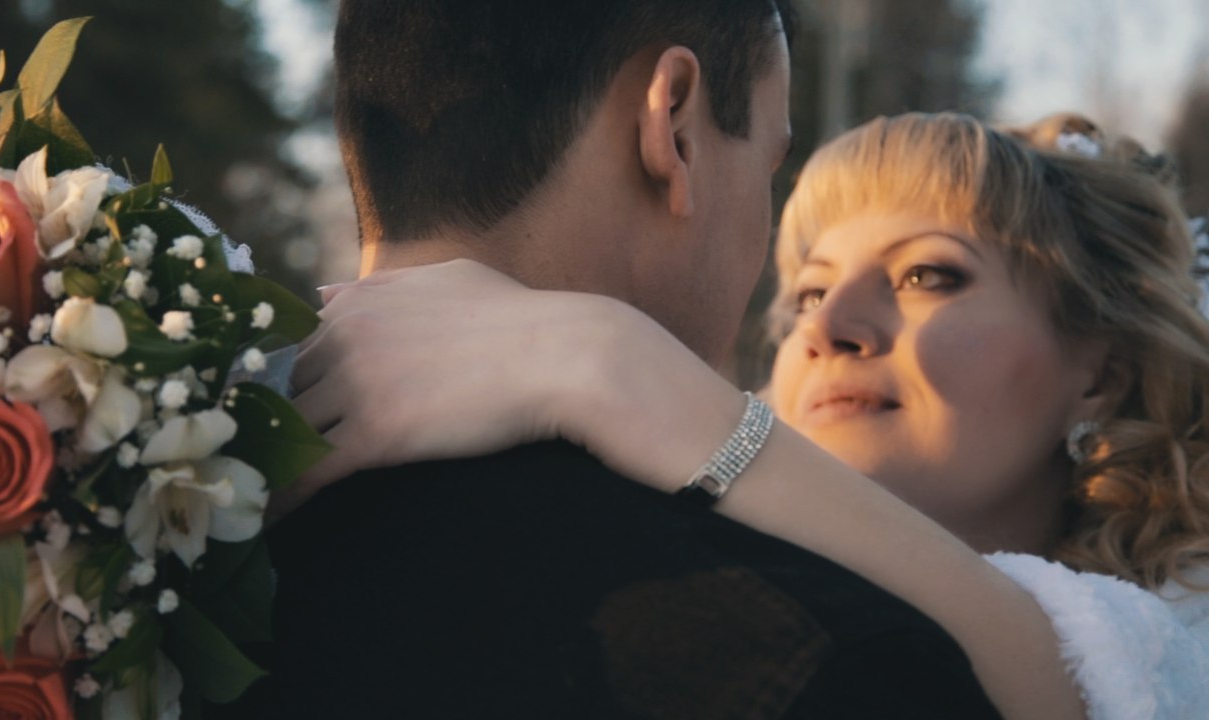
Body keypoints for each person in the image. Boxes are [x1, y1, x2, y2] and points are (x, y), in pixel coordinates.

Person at [289, 112, 1209, 718]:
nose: (830, 327)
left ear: (1102, 375)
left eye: (928, 275)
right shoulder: (664, 602)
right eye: (806, 292)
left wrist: (619, 366)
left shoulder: (1184, 647)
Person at [260, 2, 1010, 718]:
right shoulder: (816, 655)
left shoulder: (212, 494)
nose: (828, 327)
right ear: (674, 124)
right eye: (770, 169)